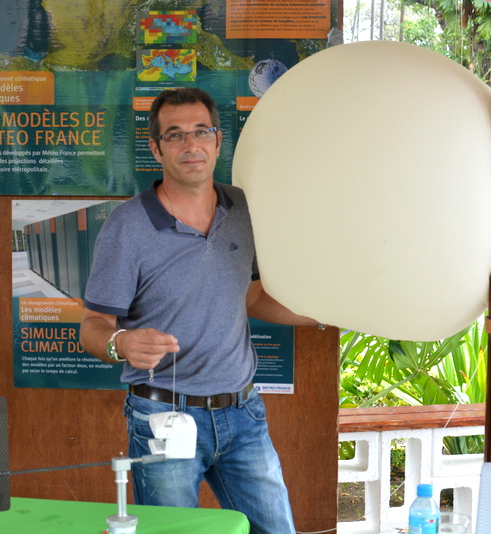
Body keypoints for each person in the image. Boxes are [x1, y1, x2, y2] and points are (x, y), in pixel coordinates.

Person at [80, 87, 319, 534]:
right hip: (164, 419)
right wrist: (122, 343)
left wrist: (323, 312)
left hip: (243, 414)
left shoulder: (244, 209)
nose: (191, 145)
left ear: (217, 140)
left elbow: (250, 296)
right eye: (175, 135)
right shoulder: (127, 226)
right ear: (156, 148)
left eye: (200, 131)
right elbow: (92, 327)